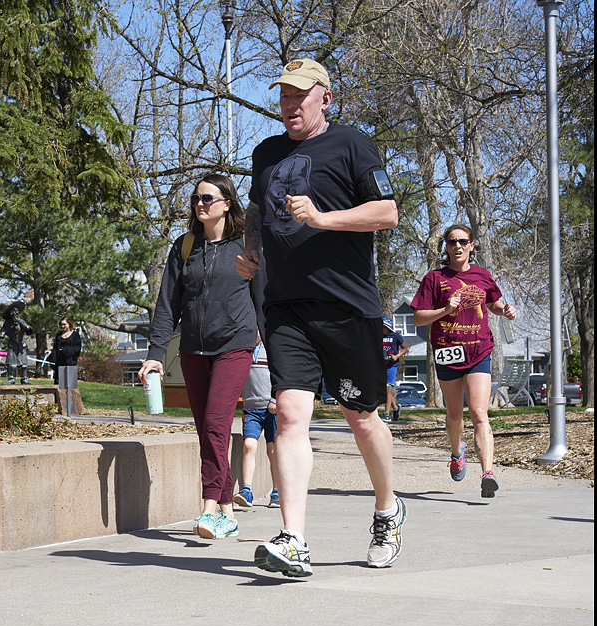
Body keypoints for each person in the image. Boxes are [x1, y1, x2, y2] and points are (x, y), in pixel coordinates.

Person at [236, 58, 405, 577]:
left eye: (299, 95)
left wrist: (323, 218)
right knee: (289, 414)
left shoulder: (352, 144)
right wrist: (251, 249)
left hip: (345, 305)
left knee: (362, 417)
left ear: (324, 98)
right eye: (283, 96)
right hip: (285, 306)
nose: (289, 105)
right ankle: (294, 539)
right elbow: (257, 211)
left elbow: (387, 213)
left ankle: (387, 510)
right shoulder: (266, 153)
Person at [139, 173, 265, 541]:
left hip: (235, 346)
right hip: (193, 349)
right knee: (208, 432)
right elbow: (168, 305)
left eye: (207, 198)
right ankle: (228, 512)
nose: (199, 204)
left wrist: (276, 349)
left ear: (227, 203)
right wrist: (155, 354)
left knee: (215, 425)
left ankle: (208, 508)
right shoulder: (185, 246)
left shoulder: (246, 246)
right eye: (196, 198)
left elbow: (264, 299)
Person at [411, 224, 517, 498]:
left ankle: (487, 474)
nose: (457, 246)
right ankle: (457, 453)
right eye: (451, 242)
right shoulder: (434, 278)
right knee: (455, 415)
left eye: (462, 241)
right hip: (448, 352)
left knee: (479, 413)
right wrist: (446, 309)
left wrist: (505, 310)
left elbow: (493, 303)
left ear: (472, 245)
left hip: (479, 351)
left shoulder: (482, 275)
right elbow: (418, 318)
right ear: (446, 247)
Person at [233, 337, 280, 509]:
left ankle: (277, 491)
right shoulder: (242, 350)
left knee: (273, 450)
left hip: (271, 410)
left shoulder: (271, 349)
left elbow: (280, 376)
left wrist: (275, 399)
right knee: (249, 445)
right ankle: (247, 490)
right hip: (251, 409)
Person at [382, 316, 409, 422]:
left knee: (388, 389)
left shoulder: (395, 336)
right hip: (381, 366)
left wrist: (397, 356)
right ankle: (395, 408)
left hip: (391, 366)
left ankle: (386, 414)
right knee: (386, 391)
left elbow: (405, 349)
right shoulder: (378, 336)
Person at [0, 301, 32, 385]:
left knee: (23, 362)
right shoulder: (7, 323)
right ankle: (10, 378)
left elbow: (28, 330)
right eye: (13, 311)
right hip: (12, 344)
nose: (14, 313)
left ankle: (24, 378)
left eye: (16, 311)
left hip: (21, 345)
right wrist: (1, 334)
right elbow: (2, 332)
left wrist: (21, 323)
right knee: (9, 361)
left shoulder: (21, 321)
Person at [52, 317, 82, 385]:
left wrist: (65, 350)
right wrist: (50, 352)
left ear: (69, 324)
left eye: (64, 324)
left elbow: (77, 349)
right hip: (59, 364)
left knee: (70, 386)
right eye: (61, 324)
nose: (62, 326)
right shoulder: (59, 335)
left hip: (70, 363)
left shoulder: (75, 335)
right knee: (59, 385)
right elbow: (55, 348)